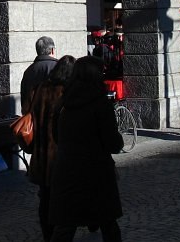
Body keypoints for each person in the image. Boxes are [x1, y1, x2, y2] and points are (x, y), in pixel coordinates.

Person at [49, 56, 123, 241]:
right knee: (108, 223)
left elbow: (56, 137)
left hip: (68, 170)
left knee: (65, 225)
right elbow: (113, 143)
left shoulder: (64, 102)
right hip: (97, 171)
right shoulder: (100, 104)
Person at [28, 55, 76, 242]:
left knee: (45, 198)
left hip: (41, 153)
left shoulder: (40, 89)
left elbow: (29, 113)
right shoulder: (67, 92)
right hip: (59, 154)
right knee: (63, 198)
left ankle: (47, 235)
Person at [21, 36, 58, 113]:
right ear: (52, 50)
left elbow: (24, 99)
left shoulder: (28, 71)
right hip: (52, 115)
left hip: (32, 117)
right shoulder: (57, 67)